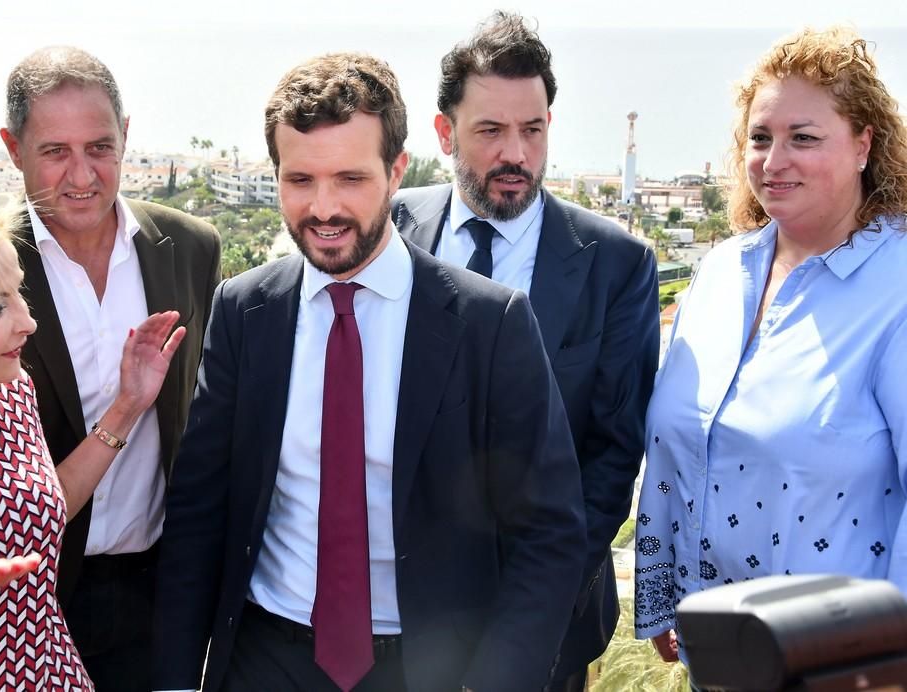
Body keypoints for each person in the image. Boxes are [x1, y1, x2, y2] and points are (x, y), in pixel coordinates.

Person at [153, 52, 587, 692]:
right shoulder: (245, 310)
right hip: (265, 658)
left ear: (398, 170)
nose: (323, 208)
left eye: (350, 179)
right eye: (300, 181)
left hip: (429, 668)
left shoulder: (489, 325)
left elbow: (549, 534)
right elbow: (199, 510)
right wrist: (176, 679)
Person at [392, 12, 659, 690]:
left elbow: (612, 454)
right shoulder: (389, 228)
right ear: (444, 132)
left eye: (532, 130)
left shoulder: (617, 263)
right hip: (390, 616)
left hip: (548, 624)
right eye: (491, 131)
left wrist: (535, 612)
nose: (516, 153)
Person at [634, 26, 907, 668]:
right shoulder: (722, 271)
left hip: (842, 661)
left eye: (803, 138)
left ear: (865, 143)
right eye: (760, 138)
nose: (773, 160)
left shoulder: (897, 287)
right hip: (723, 648)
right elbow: (678, 442)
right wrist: (667, 591)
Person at [0, 46, 221, 691]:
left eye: (99, 147)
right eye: (54, 151)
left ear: (127, 136)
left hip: (161, 591)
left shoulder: (192, 248)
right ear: (13, 149)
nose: (81, 175)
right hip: (27, 600)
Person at [0, 201, 185, 690]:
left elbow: (49, 501)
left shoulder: (12, 394)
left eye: (19, 294)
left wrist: (128, 406)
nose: (27, 322)